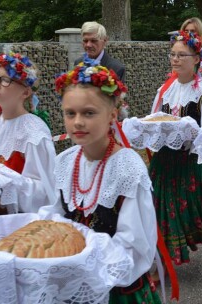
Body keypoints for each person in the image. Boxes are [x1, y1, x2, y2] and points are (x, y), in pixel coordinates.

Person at [47, 59, 161, 303]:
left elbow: (134, 243)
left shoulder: (128, 169)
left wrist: (85, 262)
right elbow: (52, 215)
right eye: (70, 113)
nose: (77, 121)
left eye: (88, 113)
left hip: (114, 286)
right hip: (69, 280)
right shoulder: (64, 162)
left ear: (112, 114)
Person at [150, 31, 202, 271]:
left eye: (182, 55)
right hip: (164, 159)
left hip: (191, 159)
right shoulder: (165, 90)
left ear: (197, 60)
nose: (175, 60)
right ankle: (165, 260)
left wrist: (192, 135)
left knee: (200, 206)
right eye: (173, 55)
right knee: (162, 206)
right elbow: (155, 120)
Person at [0, 51, 56, 218]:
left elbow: (45, 190)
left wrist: (8, 183)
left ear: (25, 93)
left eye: (6, 80)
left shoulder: (34, 132)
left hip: (23, 219)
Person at [181, 17, 202, 86]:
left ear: (200, 33)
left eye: (192, 31)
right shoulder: (178, 55)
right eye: (186, 31)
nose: (189, 34)